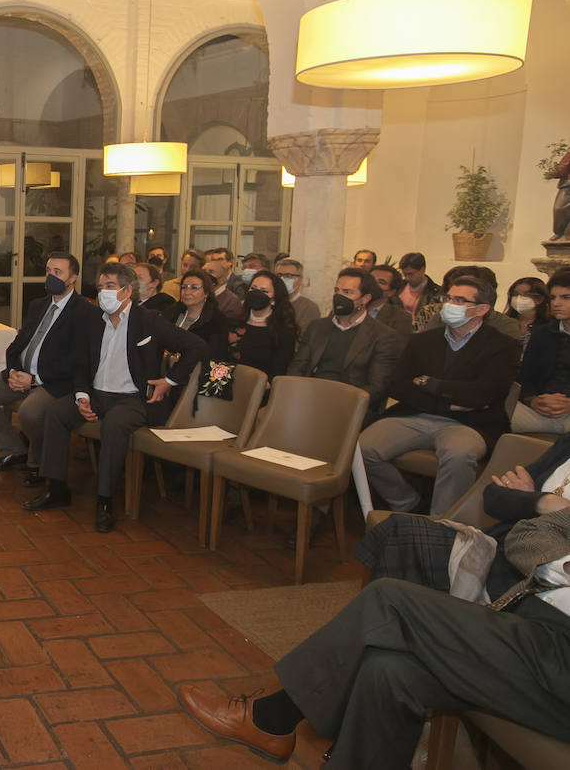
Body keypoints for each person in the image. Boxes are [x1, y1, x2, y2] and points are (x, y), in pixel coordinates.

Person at [178, 553, 570, 768]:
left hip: (559, 656)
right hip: (539, 630)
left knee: (389, 601)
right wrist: (542, 506)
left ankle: (272, 718)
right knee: (387, 670)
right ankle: (275, 723)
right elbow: (525, 533)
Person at [24, 262, 206, 532]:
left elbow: (196, 346)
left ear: (127, 290)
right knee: (55, 412)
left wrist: (168, 381)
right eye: (100, 287)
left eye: (110, 287)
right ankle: (57, 488)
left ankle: (105, 500)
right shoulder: (93, 322)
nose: (103, 293)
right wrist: (82, 396)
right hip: (97, 394)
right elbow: (81, 365)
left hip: (131, 399)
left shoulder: (150, 321)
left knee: (115, 424)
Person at [359, 275, 521, 515]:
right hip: (415, 415)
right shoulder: (423, 341)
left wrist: (429, 383)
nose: (449, 304)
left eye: (459, 300)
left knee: (458, 455)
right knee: (363, 448)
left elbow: (483, 395)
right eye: (448, 297)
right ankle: (407, 502)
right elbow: (398, 386)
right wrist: (449, 402)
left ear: (482, 309)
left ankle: (441, 523)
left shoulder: (503, 346)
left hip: (471, 424)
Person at [357, 431, 570, 602]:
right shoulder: (566, 445)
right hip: (497, 543)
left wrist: (528, 498)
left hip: (529, 569)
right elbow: (493, 497)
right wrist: (544, 502)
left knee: (402, 536)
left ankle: (394, 631)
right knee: (397, 531)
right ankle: (388, 630)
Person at [0, 253, 99, 485]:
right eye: (48, 271)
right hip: (23, 375)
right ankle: (15, 451)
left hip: (54, 382)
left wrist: (34, 379)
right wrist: (14, 371)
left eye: (58, 272)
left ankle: (40, 463)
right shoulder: (38, 304)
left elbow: (77, 361)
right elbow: (17, 344)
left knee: (30, 412)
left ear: (73, 278)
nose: (51, 276)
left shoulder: (85, 312)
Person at [287, 267, 400, 417]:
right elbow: (297, 367)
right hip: (310, 399)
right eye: (336, 291)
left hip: (349, 407)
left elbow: (377, 387)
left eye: (347, 292)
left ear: (365, 299)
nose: (338, 297)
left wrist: (340, 403)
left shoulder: (382, 336)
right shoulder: (317, 327)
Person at [512, 270, 570, 434]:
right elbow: (525, 377)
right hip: (539, 408)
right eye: (553, 298)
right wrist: (533, 400)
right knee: (495, 415)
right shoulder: (543, 333)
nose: (556, 303)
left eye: (565, 297)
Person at [226, 272, 297, 383]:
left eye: (264, 291)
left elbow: (278, 372)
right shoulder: (233, 323)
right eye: (253, 288)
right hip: (228, 384)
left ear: (274, 299)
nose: (256, 294)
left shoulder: (283, 332)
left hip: (260, 389)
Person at [165, 270, 231, 360]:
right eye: (184, 287)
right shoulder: (171, 313)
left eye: (194, 288)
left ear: (206, 293)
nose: (187, 292)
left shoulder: (217, 320)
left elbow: (216, 355)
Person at [368, 263, 414, 339]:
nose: (373, 284)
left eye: (381, 282)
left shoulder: (400, 318)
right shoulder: (351, 308)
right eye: (371, 279)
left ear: (391, 292)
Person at [505, 275, 551, 351]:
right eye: (515, 294)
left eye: (526, 294)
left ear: (539, 299)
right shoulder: (504, 322)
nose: (519, 298)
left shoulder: (548, 326)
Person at [274, 257, 320, 332]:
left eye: (288, 276)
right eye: (279, 275)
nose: (282, 279)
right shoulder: (270, 302)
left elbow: (304, 338)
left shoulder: (309, 308)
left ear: (300, 280)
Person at [396, 251, 441, 323]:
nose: (407, 278)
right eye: (404, 274)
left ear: (422, 269)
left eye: (411, 274)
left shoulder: (436, 293)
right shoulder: (399, 286)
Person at [203, 257, 243, 321]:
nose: (205, 275)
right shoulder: (200, 295)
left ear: (223, 278)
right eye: (204, 271)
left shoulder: (232, 301)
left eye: (211, 271)